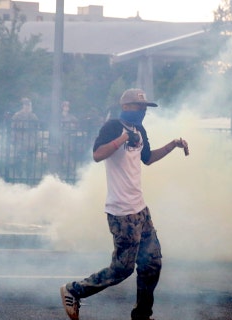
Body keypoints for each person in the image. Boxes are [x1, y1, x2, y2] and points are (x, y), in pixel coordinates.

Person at [60, 88, 189, 320]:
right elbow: (98, 155)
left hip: (140, 209)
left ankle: (142, 315)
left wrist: (172, 145)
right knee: (122, 269)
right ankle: (74, 291)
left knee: (152, 264)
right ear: (127, 107)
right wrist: (122, 139)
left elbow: (147, 158)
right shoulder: (112, 126)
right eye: (140, 107)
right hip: (121, 212)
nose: (143, 111)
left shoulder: (139, 129)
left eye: (145, 108)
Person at [10, 97, 39, 178]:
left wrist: (36, 141)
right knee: (18, 159)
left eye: (28, 105)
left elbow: (37, 129)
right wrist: (13, 139)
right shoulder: (17, 116)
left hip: (30, 142)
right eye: (25, 105)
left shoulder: (33, 116)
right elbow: (13, 128)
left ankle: (29, 175)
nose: (27, 107)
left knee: (30, 160)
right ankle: (19, 174)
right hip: (20, 141)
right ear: (23, 106)